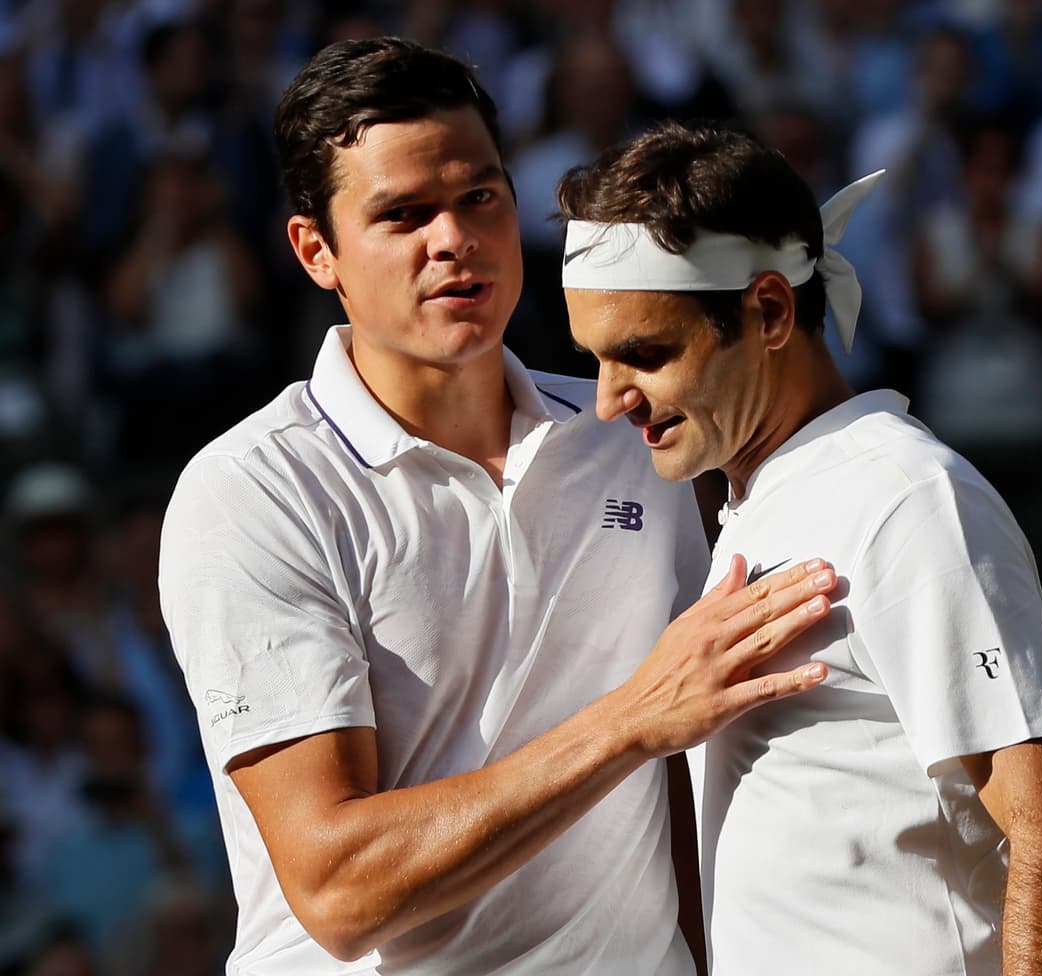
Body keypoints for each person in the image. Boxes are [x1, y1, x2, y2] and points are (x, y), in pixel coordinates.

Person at [157, 38, 838, 976]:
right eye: (402, 215)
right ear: (317, 252)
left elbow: (689, 779)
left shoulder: (632, 434)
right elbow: (339, 891)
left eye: (479, 196)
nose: (453, 239)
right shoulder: (253, 493)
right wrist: (631, 719)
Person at [558, 120, 1042, 975]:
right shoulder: (768, 497)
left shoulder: (907, 497)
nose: (608, 401)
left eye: (643, 354)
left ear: (771, 311)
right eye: (595, 360)